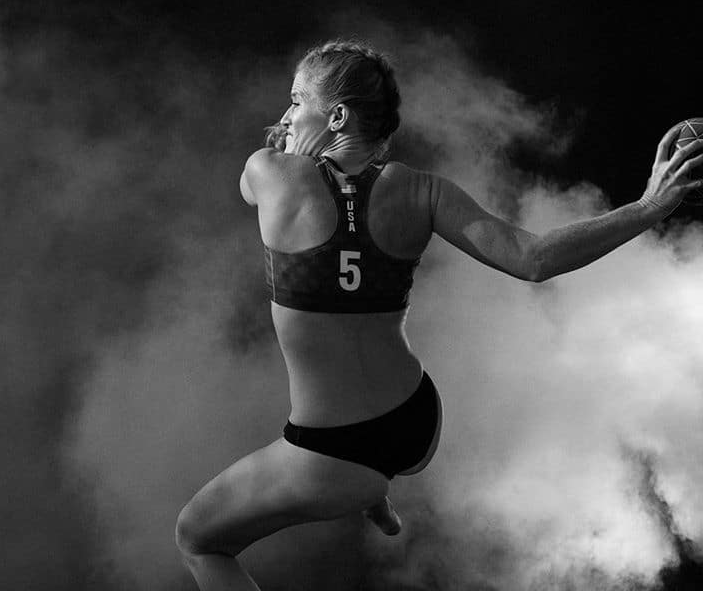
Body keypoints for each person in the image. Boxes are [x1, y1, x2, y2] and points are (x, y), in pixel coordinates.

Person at [174, 38, 703, 591]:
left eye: (295, 100)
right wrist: (649, 205)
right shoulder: (420, 190)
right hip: (415, 420)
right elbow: (535, 259)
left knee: (197, 538)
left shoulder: (271, 172)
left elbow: (250, 186)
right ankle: (372, 489)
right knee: (359, 418)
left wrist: (289, 147)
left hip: (331, 453)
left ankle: (363, 486)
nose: (285, 116)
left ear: (334, 116)